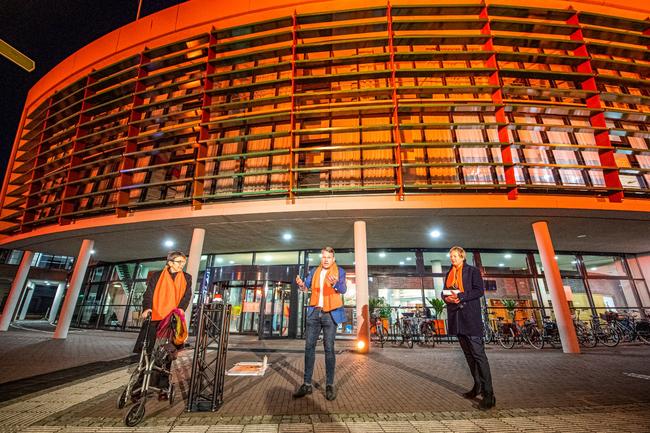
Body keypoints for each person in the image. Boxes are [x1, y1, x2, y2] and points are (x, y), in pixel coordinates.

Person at [443, 246, 496, 410]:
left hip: (470, 319)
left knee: (479, 355)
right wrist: (448, 299)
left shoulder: (472, 271)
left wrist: (460, 296)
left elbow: (479, 291)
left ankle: (489, 395)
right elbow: (443, 293)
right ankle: (477, 386)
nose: (452, 259)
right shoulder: (449, 273)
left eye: (455, 256)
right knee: (468, 355)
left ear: (462, 256)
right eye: (451, 256)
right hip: (457, 319)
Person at [133, 250, 192, 398]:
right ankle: (141, 384)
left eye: (183, 262)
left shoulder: (186, 278)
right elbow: (149, 294)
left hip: (171, 319)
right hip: (155, 316)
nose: (182, 265)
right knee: (147, 351)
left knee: (167, 353)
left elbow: (187, 295)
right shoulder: (157, 276)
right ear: (170, 262)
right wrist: (147, 308)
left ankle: (163, 386)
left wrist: (181, 309)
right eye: (179, 262)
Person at [293, 246, 347, 401]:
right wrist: (301, 285)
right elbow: (306, 287)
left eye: (329, 257)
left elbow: (343, 289)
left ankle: (329, 385)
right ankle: (307, 384)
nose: (326, 260)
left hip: (331, 314)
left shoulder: (340, 272)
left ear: (333, 259)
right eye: (323, 257)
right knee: (309, 347)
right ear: (321, 258)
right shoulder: (314, 272)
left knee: (329, 348)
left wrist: (336, 283)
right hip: (314, 313)